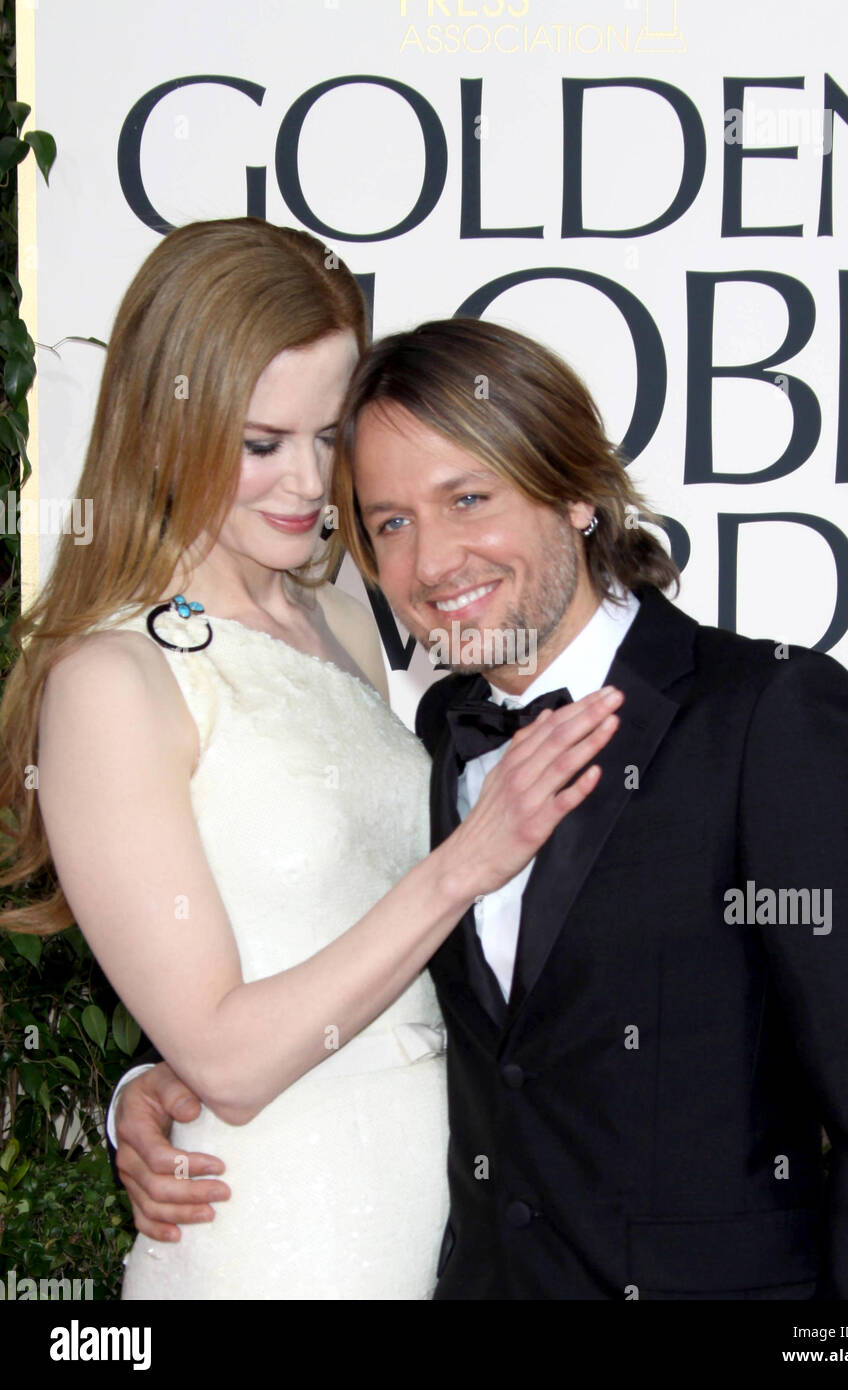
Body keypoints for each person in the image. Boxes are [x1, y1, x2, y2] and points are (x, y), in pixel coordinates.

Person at [112, 317, 848, 1301]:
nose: (432, 562)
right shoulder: (432, 736)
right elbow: (346, 948)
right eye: (390, 522)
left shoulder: (767, 717)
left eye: (467, 498)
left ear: (575, 496)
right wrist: (158, 1081)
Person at [0, 230, 623, 1301]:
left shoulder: (342, 613)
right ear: (167, 424)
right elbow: (232, 1062)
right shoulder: (113, 675)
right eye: (258, 442)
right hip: (278, 1230)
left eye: (329, 435)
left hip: (442, 1212)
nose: (304, 482)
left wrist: (147, 1083)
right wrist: (467, 860)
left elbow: (364, 949)